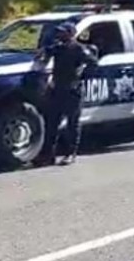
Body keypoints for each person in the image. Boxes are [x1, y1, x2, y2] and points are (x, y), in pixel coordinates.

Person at [35, 22, 98, 166]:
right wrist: (42, 52)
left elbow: (93, 63)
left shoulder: (79, 49)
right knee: (51, 123)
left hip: (72, 90)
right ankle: (47, 155)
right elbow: (47, 51)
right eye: (59, 32)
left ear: (70, 34)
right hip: (57, 89)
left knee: (72, 124)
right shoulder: (59, 47)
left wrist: (82, 77)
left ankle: (70, 154)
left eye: (62, 32)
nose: (59, 34)